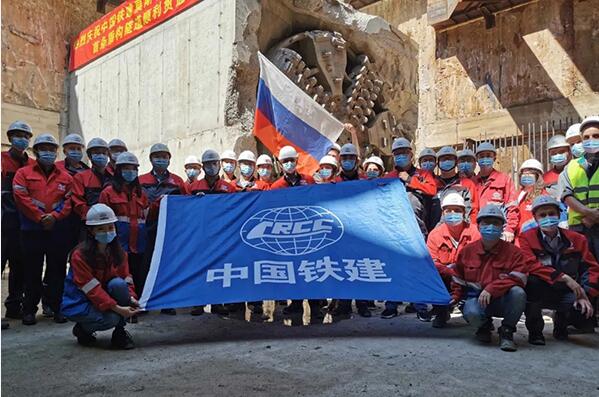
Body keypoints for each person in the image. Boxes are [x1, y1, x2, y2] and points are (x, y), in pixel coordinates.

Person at [517, 196, 598, 344]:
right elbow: (529, 265)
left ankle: (562, 323)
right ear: (535, 218)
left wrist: (585, 294)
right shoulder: (526, 238)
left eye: (551, 213)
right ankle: (535, 332)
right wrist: (565, 278)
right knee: (532, 282)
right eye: (542, 215)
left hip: (568, 291)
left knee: (584, 316)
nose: (548, 218)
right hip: (541, 290)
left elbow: (590, 267)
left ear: (559, 215)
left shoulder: (577, 239)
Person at [13, 133, 73, 325]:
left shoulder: (65, 177)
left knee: (57, 271)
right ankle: (29, 310)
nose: (48, 152)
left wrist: (55, 217)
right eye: (44, 149)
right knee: (32, 271)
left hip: (57, 230)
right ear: (36, 151)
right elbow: (21, 197)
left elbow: (70, 200)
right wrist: (40, 217)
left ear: (56, 152)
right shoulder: (24, 173)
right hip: (31, 230)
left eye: (51, 149)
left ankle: (57, 308)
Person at [451, 204, 529, 351]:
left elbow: (521, 277)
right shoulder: (467, 251)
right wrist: (455, 297)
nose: (491, 227)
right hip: (477, 300)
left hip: (504, 300)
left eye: (496, 223)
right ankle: (484, 326)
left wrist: (492, 288)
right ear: (478, 226)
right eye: (486, 223)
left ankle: (507, 332)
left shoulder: (514, 252)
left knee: (518, 293)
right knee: (471, 311)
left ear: (502, 227)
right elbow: (457, 277)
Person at [61, 204, 139, 349]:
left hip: (104, 299)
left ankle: (119, 334)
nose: (107, 232)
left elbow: (126, 279)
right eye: (101, 229)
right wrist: (119, 309)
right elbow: (93, 290)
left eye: (110, 227)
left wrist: (131, 298)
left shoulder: (118, 253)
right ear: (91, 231)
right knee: (112, 319)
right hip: (81, 302)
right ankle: (83, 330)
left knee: (119, 285)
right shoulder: (80, 256)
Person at [383, 137, 437, 318]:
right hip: (393, 230)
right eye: (397, 154)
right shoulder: (388, 177)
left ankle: (420, 307)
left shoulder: (423, 175)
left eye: (403, 153)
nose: (400, 156)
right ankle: (391, 306)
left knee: (417, 268)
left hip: (416, 228)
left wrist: (410, 181)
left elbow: (431, 190)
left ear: (411, 154)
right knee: (393, 268)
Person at [270, 146, 320, 321]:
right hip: (288, 235)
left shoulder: (309, 180)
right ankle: (296, 303)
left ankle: (315, 304)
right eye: (285, 161)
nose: (289, 164)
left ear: (297, 161)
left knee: (311, 269)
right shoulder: (276, 187)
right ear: (280, 164)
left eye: (291, 160)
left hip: (309, 232)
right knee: (294, 270)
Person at [99, 152, 149, 323]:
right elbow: (102, 220)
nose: (130, 171)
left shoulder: (142, 194)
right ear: (118, 170)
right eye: (126, 168)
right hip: (117, 245)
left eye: (133, 168)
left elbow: (148, 216)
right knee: (119, 279)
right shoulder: (108, 192)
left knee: (137, 276)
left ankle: (136, 307)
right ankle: (121, 309)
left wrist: (163, 202)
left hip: (139, 245)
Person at [139, 143, 187, 316]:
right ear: (151, 159)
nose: (161, 160)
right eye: (157, 156)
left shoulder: (178, 182)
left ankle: (168, 302)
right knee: (145, 264)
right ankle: (144, 301)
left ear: (169, 159)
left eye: (164, 157)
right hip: (147, 228)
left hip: (169, 230)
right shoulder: (141, 181)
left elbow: (186, 204)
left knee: (168, 265)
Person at [189, 150, 236, 316]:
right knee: (199, 268)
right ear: (203, 167)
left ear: (219, 165)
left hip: (221, 234)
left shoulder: (229, 188)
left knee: (219, 269)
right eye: (208, 164)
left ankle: (218, 303)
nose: (212, 167)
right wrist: (195, 202)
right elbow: (186, 212)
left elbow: (235, 210)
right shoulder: (193, 188)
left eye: (214, 163)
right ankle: (198, 303)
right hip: (200, 235)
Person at [425, 193, 480, 328]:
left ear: (464, 212)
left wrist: (459, 273)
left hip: (469, 278)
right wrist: (450, 271)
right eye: (448, 210)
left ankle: (470, 309)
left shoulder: (474, 232)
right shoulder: (435, 235)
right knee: (431, 276)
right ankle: (441, 311)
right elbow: (432, 262)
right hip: (445, 277)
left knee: (474, 314)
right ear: (443, 213)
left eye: (457, 210)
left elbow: (480, 261)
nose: (453, 213)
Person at [1, 121, 35, 328]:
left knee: (19, 267)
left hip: (23, 223)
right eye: (18, 135)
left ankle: (14, 306)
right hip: (3, 222)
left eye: (25, 135)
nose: (22, 139)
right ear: (10, 137)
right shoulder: (2, 160)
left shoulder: (32, 165)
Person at [559, 116, 599, 259]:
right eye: (586, 137)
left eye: (596, 136)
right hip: (579, 229)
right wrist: (587, 212)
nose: (591, 140)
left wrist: (594, 217)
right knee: (585, 270)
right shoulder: (571, 166)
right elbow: (566, 195)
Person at [473, 142, 518, 242]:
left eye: (488, 155)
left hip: (499, 232)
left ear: (494, 158)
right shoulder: (473, 182)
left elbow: (512, 207)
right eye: (481, 156)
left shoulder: (504, 179)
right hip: (477, 232)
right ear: (477, 159)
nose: (485, 159)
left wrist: (509, 229)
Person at [430, 146, 479, 227]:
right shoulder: (432, 184)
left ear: (456, 162)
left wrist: (471, 230)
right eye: (443, 159)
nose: (446, 161)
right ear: (438, 163)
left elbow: (473, 210)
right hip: (434, 232)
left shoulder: (467, 184)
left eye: (449, 158)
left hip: (459, 231)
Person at [71, 138, 113, 232]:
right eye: (97, 153)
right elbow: (78, 204)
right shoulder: (81, 177)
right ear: (90, 156)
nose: (101, 156)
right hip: (89, 225)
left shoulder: (114, 178)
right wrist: (97, 216)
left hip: (111, 224)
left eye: (104, 153)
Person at [516, 159, 546, 235]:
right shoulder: (517, 194)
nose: (526, 176)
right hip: (517, 237)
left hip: (534, 236)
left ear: (537, 176)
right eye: (524, 173)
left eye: (530, 173)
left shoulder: (543, 195)